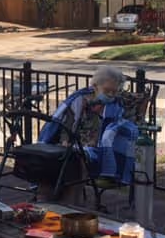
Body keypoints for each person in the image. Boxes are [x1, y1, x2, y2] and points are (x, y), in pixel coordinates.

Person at [36, 65, 139, 200]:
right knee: (52, 159)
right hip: (72, 144)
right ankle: (45, 199)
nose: (111, 95)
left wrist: (98, 140)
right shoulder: (79, 99)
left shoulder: (118, 105)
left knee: (78, 160)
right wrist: (65, 140)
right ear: (95, 86)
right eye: (107, 91)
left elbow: (120, 129)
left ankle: (70, 203)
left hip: (99, 151)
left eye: (115, 92)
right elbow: (64, 123)